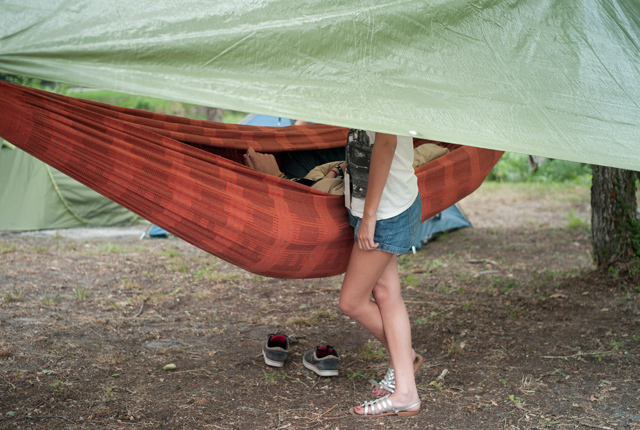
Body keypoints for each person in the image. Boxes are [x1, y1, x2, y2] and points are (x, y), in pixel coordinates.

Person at [339, 130, 422, 418]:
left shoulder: (385, 87)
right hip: (373, 205)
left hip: (384, 212)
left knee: (351, 301)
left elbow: (386, 143)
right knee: (387, 294)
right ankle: (405, 373)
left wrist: (370, 216)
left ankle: (406, 388)